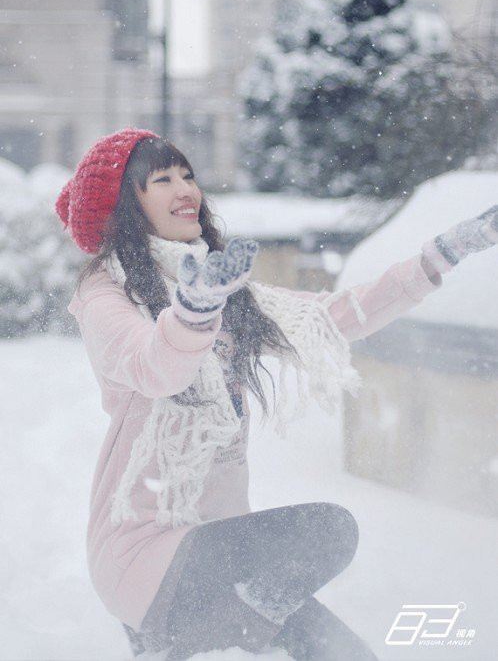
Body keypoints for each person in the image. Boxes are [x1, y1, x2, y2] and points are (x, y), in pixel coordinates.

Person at [55, 127, 497, 660]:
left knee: (348, 652)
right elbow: (156, 368)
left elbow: (332, 318)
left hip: (217, 556)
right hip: (143, 558)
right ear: (127, 203)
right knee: (328, 530)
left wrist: (437, 258)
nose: (186, 189)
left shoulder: (221, 292)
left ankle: (200, 638)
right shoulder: (104, 294)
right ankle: (212, 637)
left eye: (189, 175)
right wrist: (193, 313)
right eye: (163, 179)